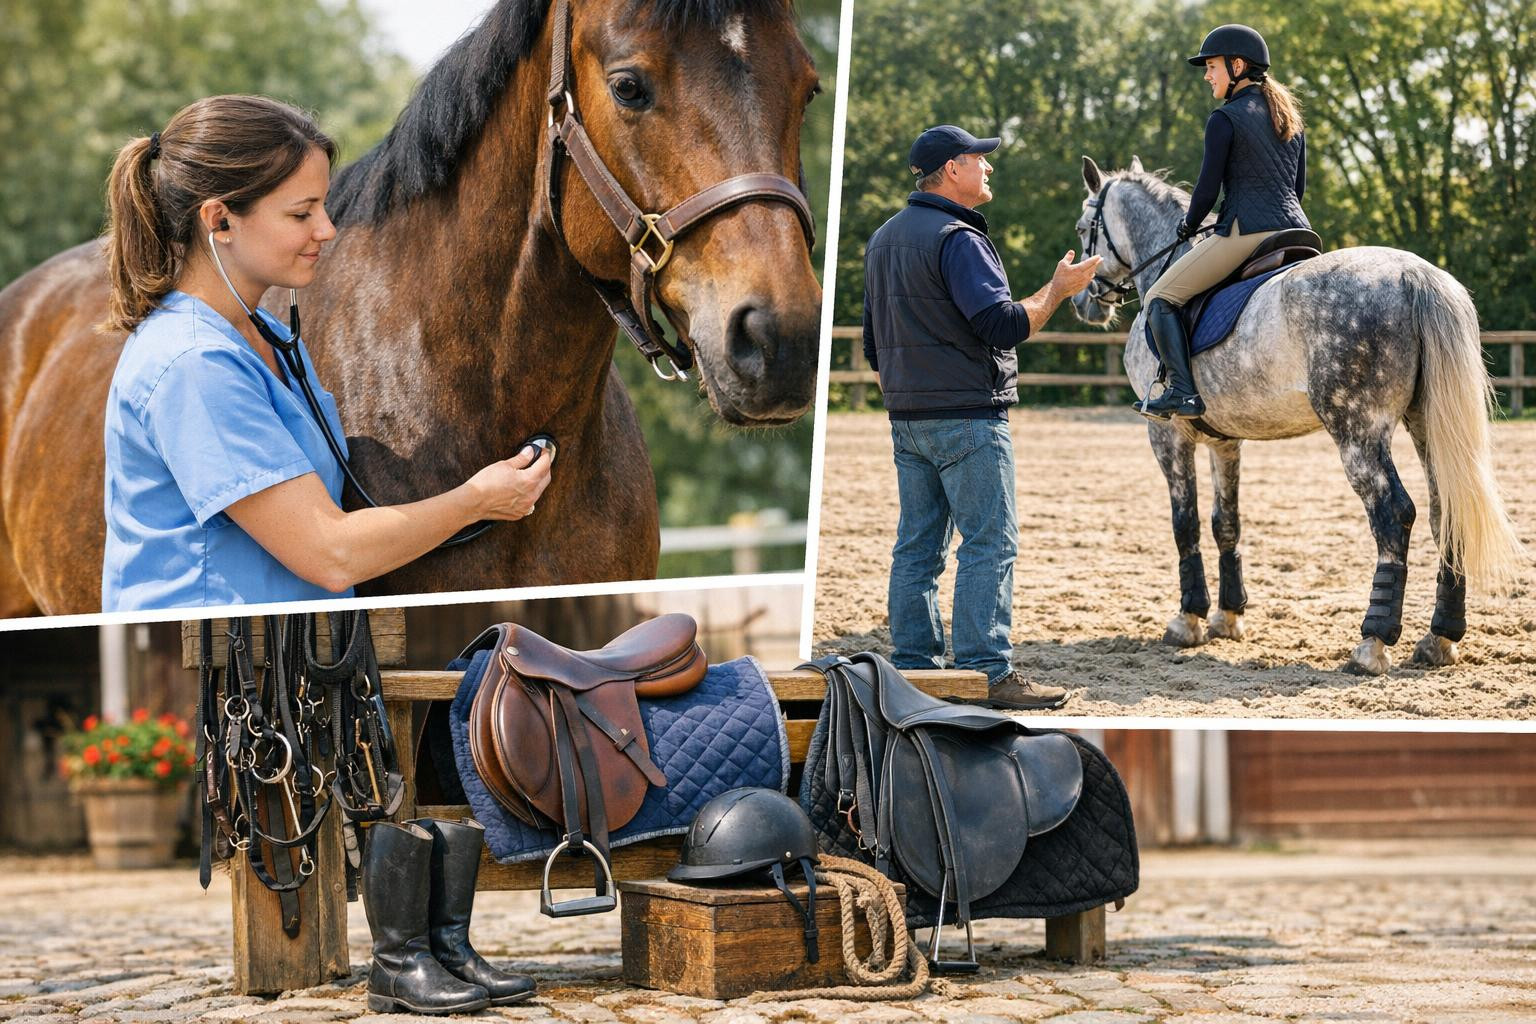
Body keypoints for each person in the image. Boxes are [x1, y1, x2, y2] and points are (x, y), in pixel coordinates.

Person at [100, 95, 552, 610]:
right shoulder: (192, 364)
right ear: (219, 220)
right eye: (301, 213)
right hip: (205, 675)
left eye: (323, 206)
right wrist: (478, 501)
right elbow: (330, 553)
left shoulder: (263, 334)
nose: (327, 230)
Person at [862, 125, 1101, 710]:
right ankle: (985, 673)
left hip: (907, 421)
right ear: (950, 170)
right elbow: (1003, 325)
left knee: (916, 549)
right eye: (979, 160)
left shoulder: (883, 239)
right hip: (968, 417)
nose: (988, 168)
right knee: (989, 544)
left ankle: (915, 670)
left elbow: (873, 345)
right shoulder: (959, 239)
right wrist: (1058, 290)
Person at [1138, 24, 1310, 419]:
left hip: (1245, 231)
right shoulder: (1290, 120)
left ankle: (1183, 391)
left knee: (1159, 298)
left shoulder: (1225, 119)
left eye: (1211, 66)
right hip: (1297, 232)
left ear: (1237, 66)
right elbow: (1297, 188)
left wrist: (1188, 225)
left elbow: (1206, 191)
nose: (1206, 75)